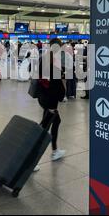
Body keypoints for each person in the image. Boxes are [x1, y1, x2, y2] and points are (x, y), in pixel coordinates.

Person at [34, 38, 66, 172]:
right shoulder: (55, 64)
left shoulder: (44, 59)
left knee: (55, 121)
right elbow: (59, 90)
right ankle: (32, 161)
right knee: (43, 130)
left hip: (43, 98)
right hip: (50, 100)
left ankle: (55, 150)